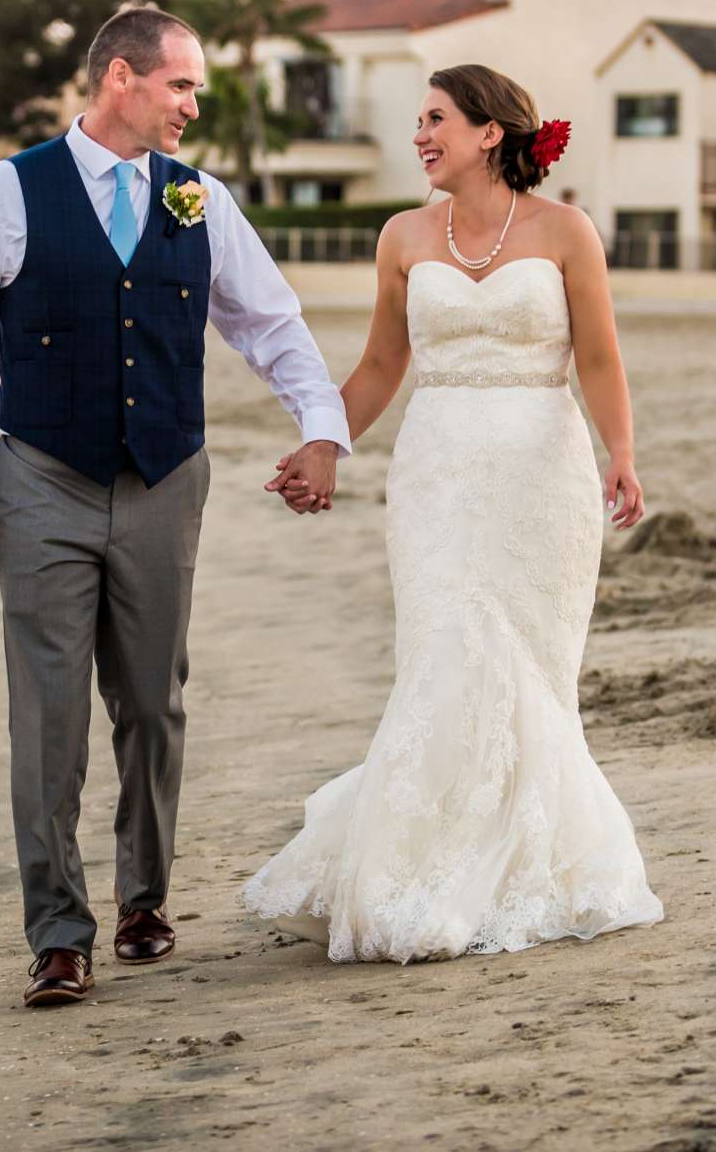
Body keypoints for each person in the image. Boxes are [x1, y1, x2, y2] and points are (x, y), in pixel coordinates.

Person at [0, 4, 350, 1008]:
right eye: (180, 85)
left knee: (152, 703)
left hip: (164, 481)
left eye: (195, 89)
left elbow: (271, 324)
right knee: (50, 714)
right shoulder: (6, 193)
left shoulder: (196, 202)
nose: (194, 104)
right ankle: (60, 934)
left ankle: (143, 900)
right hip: (42, 482)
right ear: (119, 77)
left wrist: (320, 428)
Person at [243, 64, 663, 963]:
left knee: (531, 670)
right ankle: (419, 866)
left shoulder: (566, 232)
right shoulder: (401, 236)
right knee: (443, 657)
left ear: (490, 133)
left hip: (540, 481)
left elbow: (598, 355)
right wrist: (324, 441)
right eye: (419, 121)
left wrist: (620, 452)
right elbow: (382, 366)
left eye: (436, 119)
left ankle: (523, 864)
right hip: (435, 478)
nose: (421, 136)